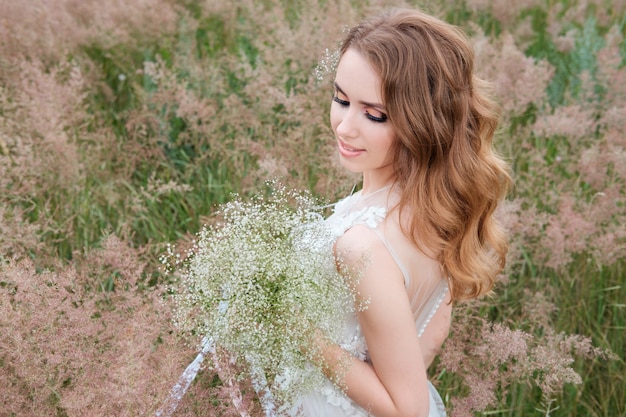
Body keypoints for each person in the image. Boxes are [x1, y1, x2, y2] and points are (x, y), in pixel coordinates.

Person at [290, 7, 511, 417]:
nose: (344, 126)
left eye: (374, 114)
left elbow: (409, 409)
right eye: (341, 99)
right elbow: (430, 334)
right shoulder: (438, 211)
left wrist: (297, 333)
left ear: (423, 123)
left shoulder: (363, 246)